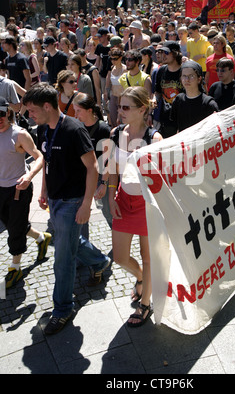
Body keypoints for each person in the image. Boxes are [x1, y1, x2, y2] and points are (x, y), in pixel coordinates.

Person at [23, 83, 111, 335]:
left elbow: (93, 167)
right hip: (55, 199)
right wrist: (43, 192)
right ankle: (100, 261)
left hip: (73, 202)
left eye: (32, 110)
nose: (29, 114)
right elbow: (48, 161)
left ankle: (62, 309)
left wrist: (85, 204)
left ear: (47, 106)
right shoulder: (43, 129)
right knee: (67, 240)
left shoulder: (74, 129)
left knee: (62, 258)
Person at [108, 86, 163, 327]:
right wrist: (110, 196)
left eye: (126, 107)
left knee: (148, 257)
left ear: (142, 109)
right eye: (120, 106)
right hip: (122, 199)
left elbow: (163, 177)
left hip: (147, 203)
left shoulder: (155, 138)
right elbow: (111, 168)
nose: (120, 111)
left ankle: (145, 304)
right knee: (119, 256)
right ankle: (140, 278)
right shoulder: (115, 133)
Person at [0, 97, 51, 289]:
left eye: (1, 114)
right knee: (14, 224)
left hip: (18, 190)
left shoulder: (19, 134)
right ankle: (41, 237)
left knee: (14, 229)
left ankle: (15, 267)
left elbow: (39, 157)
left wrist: (29, 176)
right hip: (0, 190)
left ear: (8, 113)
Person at [73, 92, 112, 230]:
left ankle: (119, 244)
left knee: (108, 213)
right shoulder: (77, 128)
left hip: (101, 178)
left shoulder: (103, 129)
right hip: (83, 177)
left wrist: (103, 183)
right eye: (74, 111)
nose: (75, 115)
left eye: (79, 111)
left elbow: (109, 159)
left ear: (90, 111)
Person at [170, 61, 219, 132]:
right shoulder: (178, 100)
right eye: (184, 76)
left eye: (191, 76)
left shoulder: (209, 104)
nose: (187, 80)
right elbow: (174, 127)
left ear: (199, 79)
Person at [155, 41, 184, 137]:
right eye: (162, 52)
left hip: (182, 119)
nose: (163, 55)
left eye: (166, 53)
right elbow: (158, 92)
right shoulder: (161, 70)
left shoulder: (185, 71)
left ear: (175, 54)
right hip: (166, 118)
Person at [104, 48, 126, 127]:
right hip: (113, 96)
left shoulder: (125, 69)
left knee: (121, 120)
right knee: (113, 119)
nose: (113, 61)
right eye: (111, 59)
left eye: (115, 59)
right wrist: (106, 91)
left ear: (120, 58)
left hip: (122, 97)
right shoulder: (112, 68)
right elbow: (108, 78)